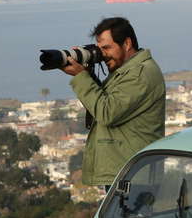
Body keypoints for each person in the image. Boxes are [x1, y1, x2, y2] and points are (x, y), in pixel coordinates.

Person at [61, 17, 165, 188]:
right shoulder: (127, 71)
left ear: (127, 43)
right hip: (126, 170)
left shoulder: (140, 74)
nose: (103, 55)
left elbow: (107, 113)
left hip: (135, 176)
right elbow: (104, 103)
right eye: (100, 49)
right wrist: (87, 75)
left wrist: (81, 77)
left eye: (107, 48)